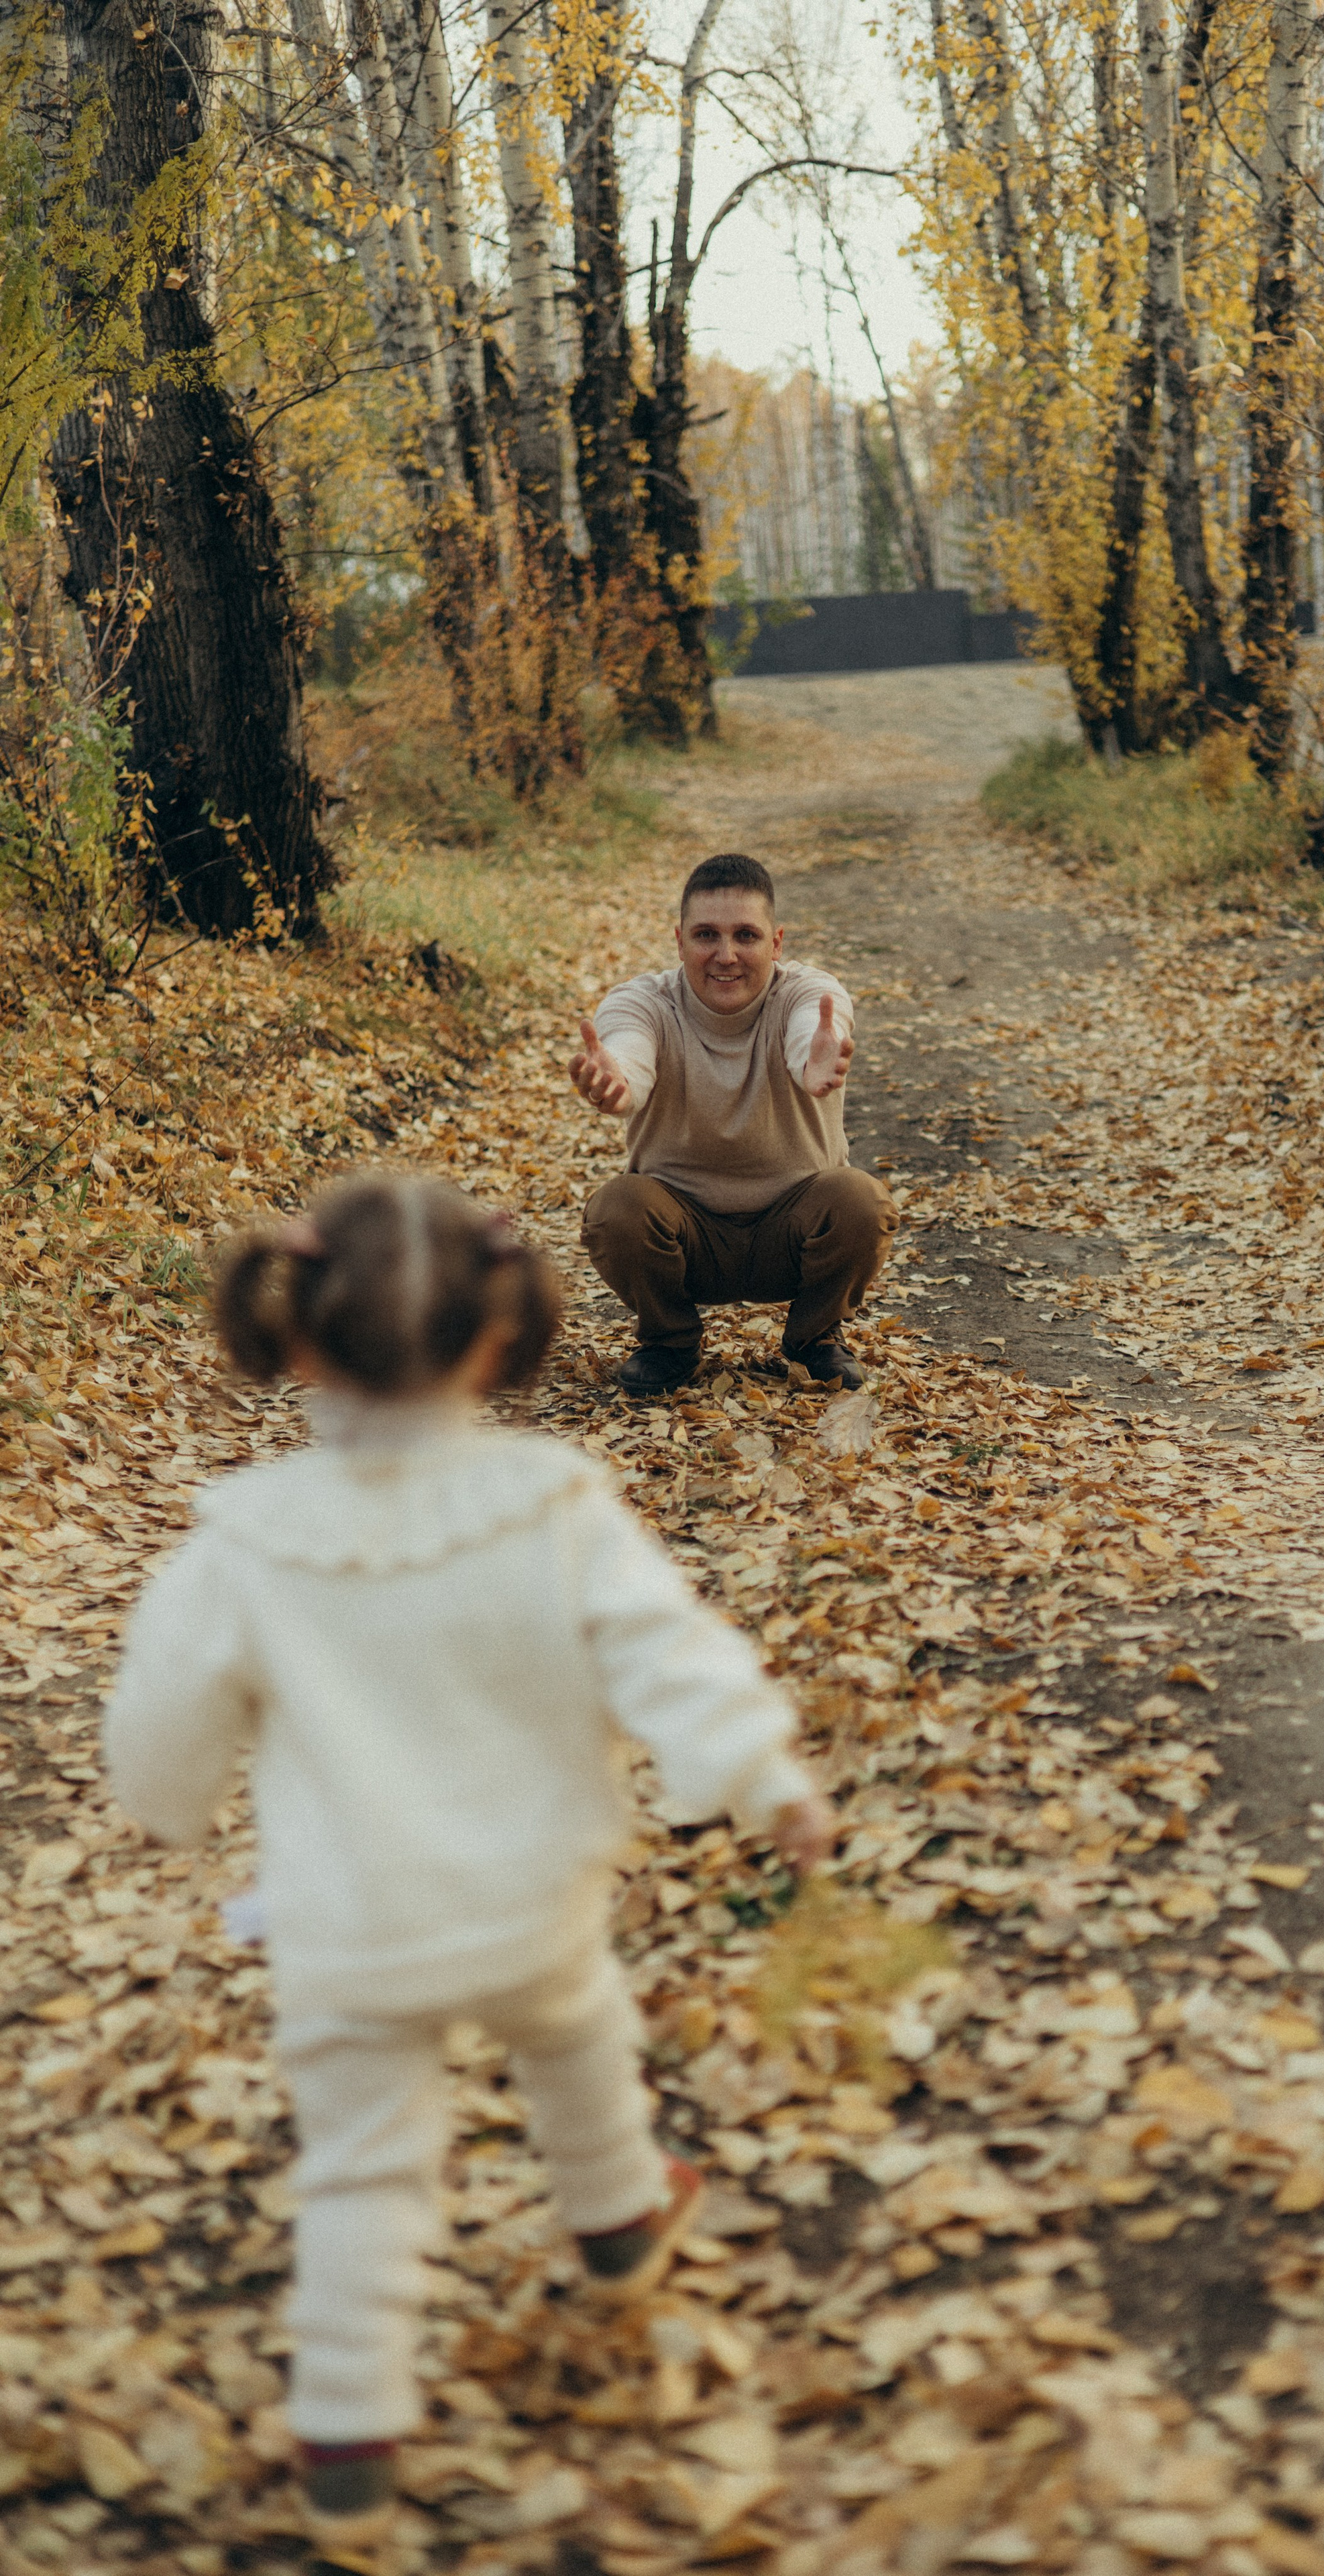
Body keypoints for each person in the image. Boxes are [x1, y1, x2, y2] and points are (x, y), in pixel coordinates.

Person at [102, 1175, 834, 2576]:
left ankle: (345, 2449)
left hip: (350, 1929)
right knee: (577, 2039)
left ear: (299, 1341)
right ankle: (619, 2223)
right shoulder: (549, 1502)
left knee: (363, 2179)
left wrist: (171, 1810)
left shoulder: (247, 1541)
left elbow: (161, 1723)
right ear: (500, 1343)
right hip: (530, 1900)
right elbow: (664, 1653)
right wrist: (764, 1778)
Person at [573, 850, 897, 1399]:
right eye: (706, 936)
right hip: (683, 1237)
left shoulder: (808, 996)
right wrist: (618, 1082)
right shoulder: (643, 1003)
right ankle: (668, 1342)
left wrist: (811, 1058)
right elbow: (630, 1053)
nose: (726, 955)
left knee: (862, 1201)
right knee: (617, 1208)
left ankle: (814, 1339)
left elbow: (811, 1031)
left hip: (793, 1234)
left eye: (746, 935)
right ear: (679, 942)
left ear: (776, 943)